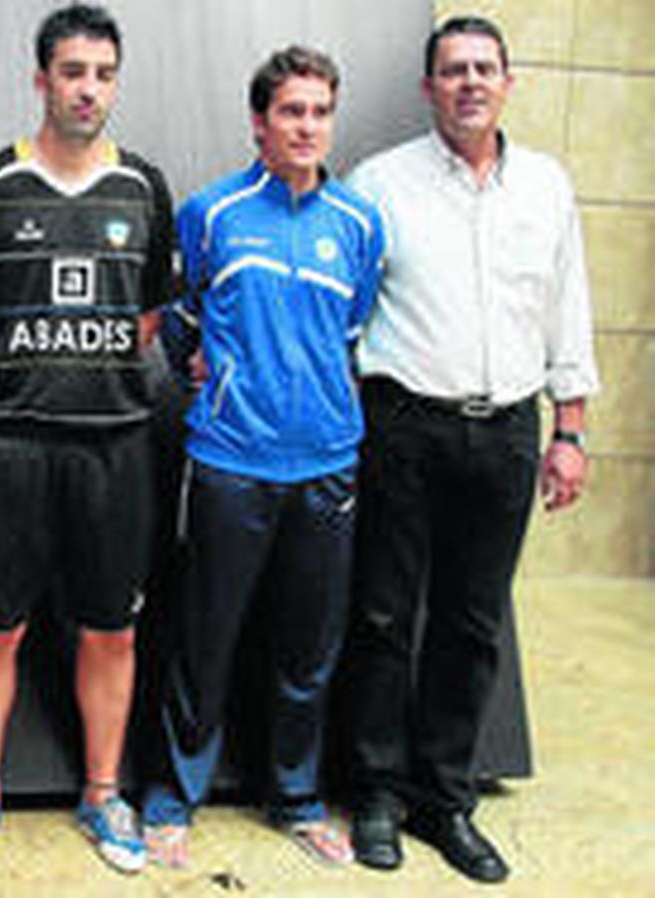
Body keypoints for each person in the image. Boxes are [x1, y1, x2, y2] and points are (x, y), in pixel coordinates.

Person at [340, 16, 598, 884]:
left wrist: (570, 431)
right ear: (428, 89)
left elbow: (568, 309)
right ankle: (374, 791)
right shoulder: (379, 184)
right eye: (452, 71)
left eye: (485, 68)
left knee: (472, 622)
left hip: (506, 435)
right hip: (403, 425)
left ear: (509, 82)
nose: (470, 83)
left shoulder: (548, 188)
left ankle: (444, 798)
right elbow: (343, 313)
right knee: (381, 616)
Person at [0, 3, 175, 877]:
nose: (88, 89)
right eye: (72, 72)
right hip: (10, 447)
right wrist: (11, 392)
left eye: (103, 74)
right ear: (41, 80)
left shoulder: (144, 187)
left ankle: (103, 794)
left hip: (114, 447)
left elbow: (146, 320)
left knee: (111, 631)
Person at [139, 45, 383, 870]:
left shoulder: (357, 223)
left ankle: (298, 798)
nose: (306, 126)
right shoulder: (211, 213)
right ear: (259, 121)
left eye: (319, 111)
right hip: (230, 461)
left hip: (326, 463)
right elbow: (178, 317)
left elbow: (351, 334)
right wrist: (201, 372)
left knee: (307, 646)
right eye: (291, 111)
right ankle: (174, 799)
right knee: (206, 639)